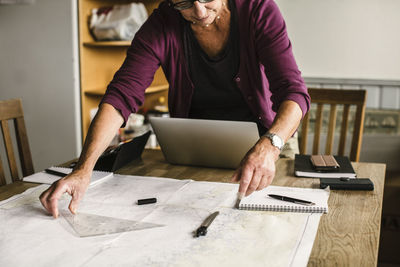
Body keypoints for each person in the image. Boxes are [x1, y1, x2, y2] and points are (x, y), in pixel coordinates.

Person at [40, 0, 310, 218]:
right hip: (197, 149)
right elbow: (121, 96)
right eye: (184, 3)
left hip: (269, 141)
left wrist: (270, 144)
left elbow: (293, 92)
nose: (199, 11)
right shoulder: (161, 24)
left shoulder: (259, 10)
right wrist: (84, 170)